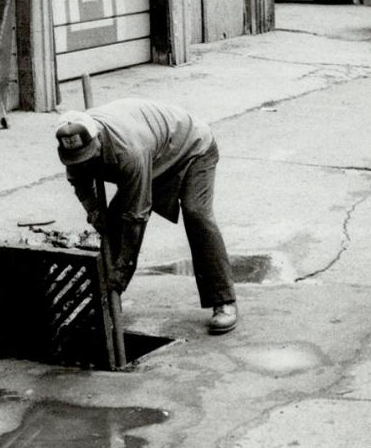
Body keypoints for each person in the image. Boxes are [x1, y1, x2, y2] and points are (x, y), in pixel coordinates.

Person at [54, 98, 238, 335]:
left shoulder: (128, 150)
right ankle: (108, 300)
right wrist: (95, 212)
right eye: (78, 158)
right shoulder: (74, 142)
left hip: (191, 148)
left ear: (98, 137)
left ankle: (223, 300)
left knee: (196, 214)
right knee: (113, 221)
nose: (84, 161)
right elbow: (79, 181)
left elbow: (136, 218)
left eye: (89, 155)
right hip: (155, 154)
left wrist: (122, 271)